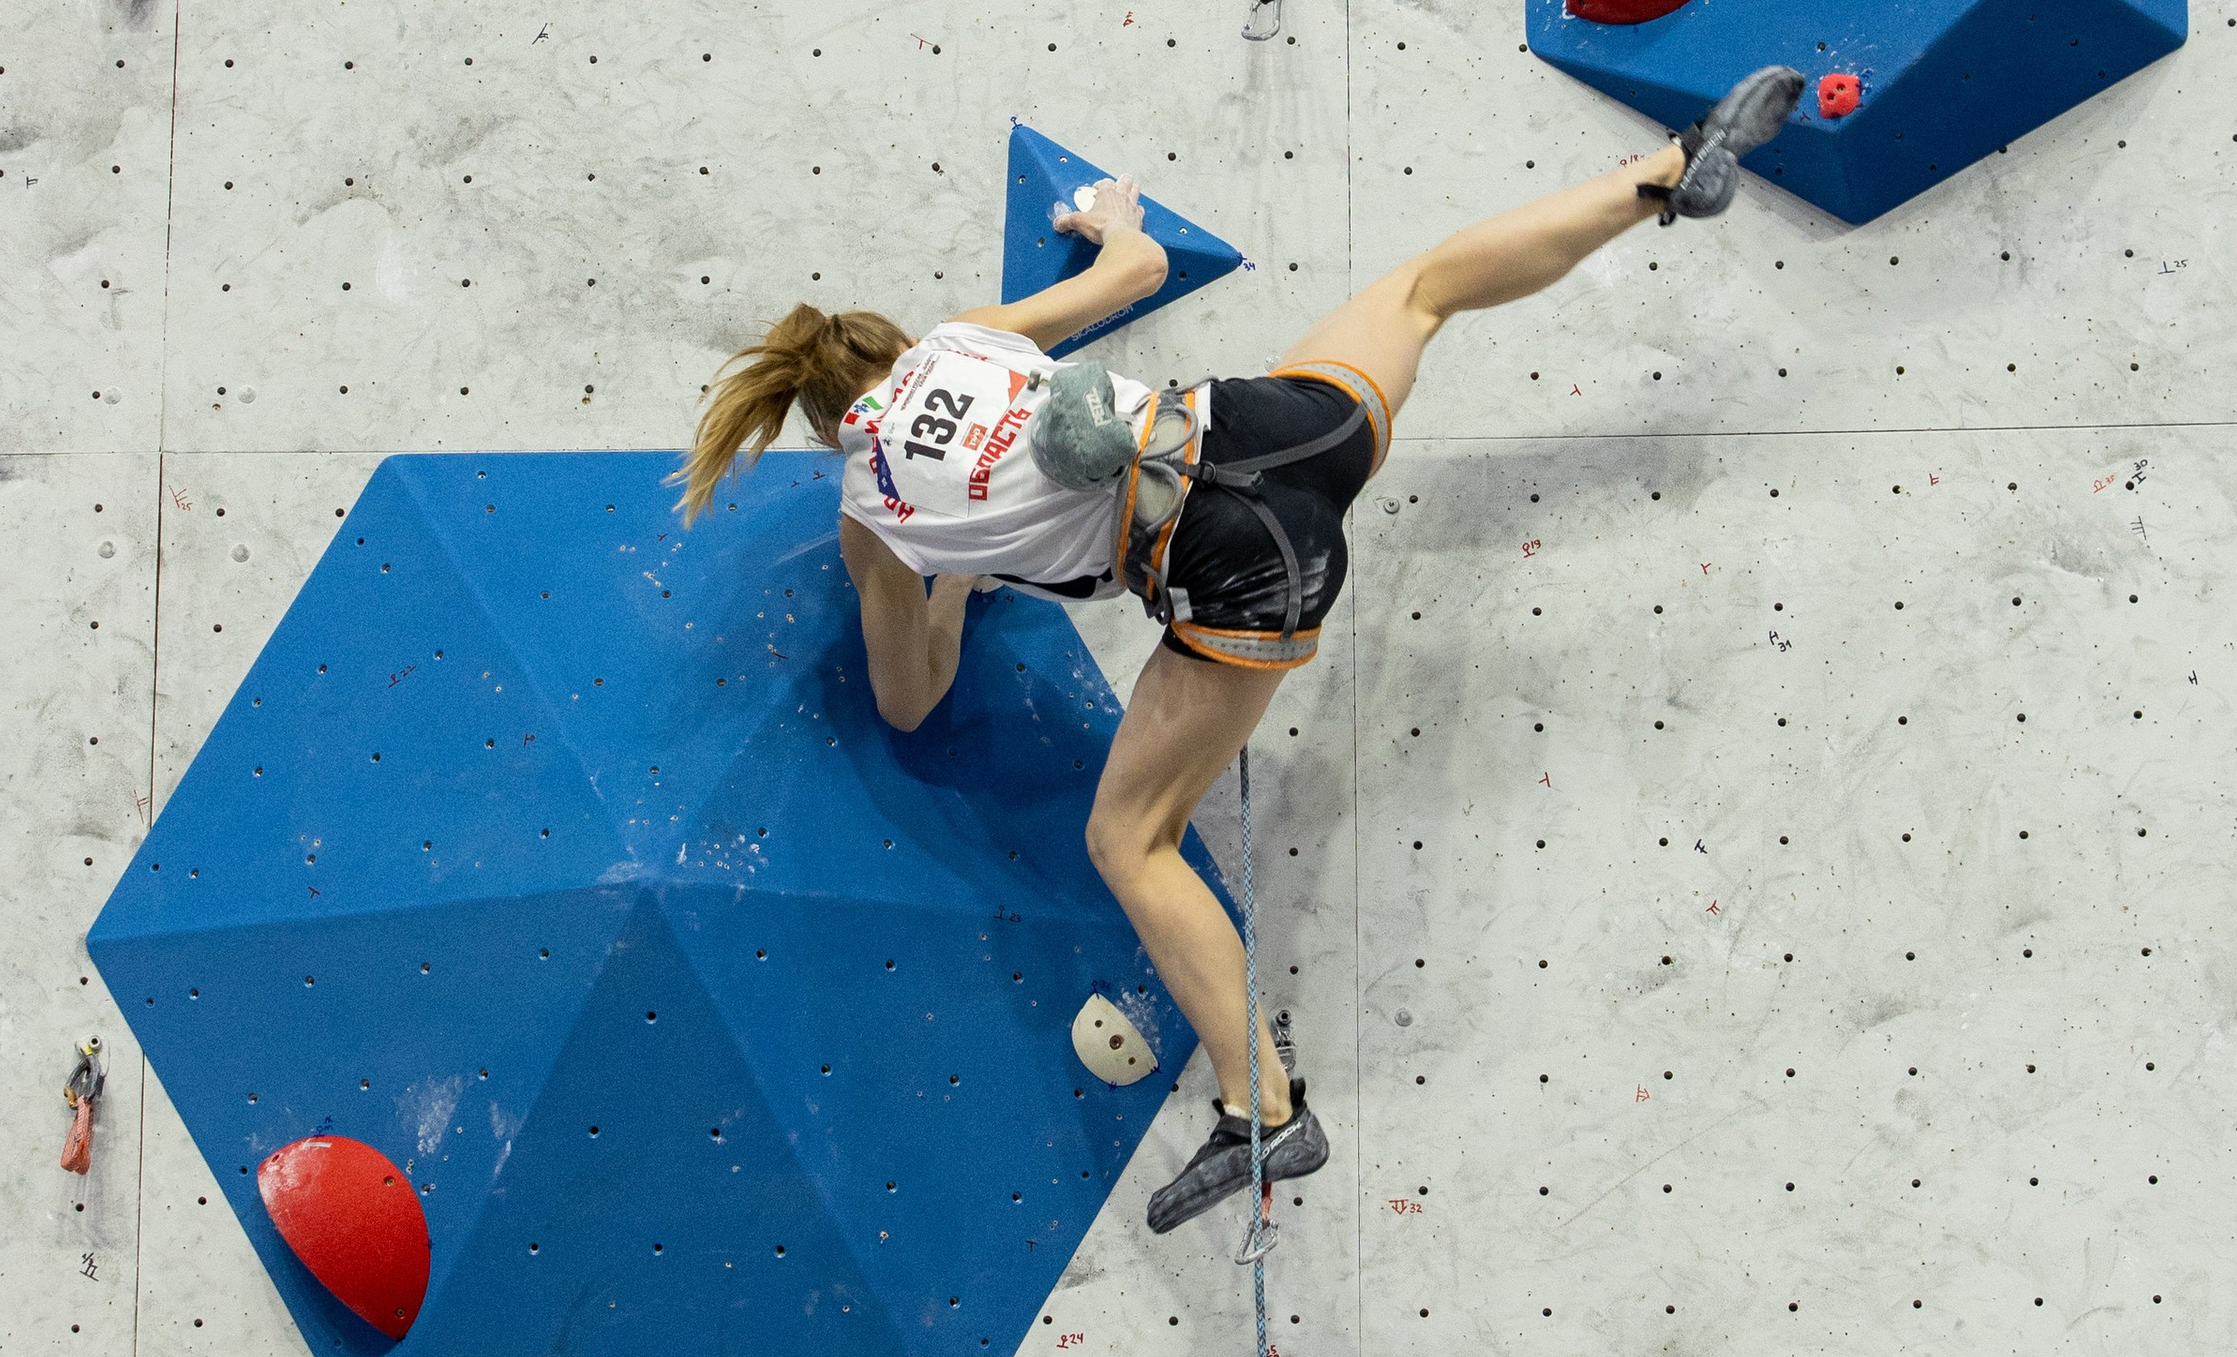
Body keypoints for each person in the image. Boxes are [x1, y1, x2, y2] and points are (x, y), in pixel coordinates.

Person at [679, 69, 1801, 1230]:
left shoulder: (869, 515)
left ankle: (1262, 1110)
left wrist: (948, 580)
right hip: (1265, 428)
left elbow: (908, 701)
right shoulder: (965, 342)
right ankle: (1662, 175)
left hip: (1230, 559)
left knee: (1130, 838)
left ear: (823, 428)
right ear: (894, 354)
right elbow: (1140, 270)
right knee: (1420, 292)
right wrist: (1105, 221)